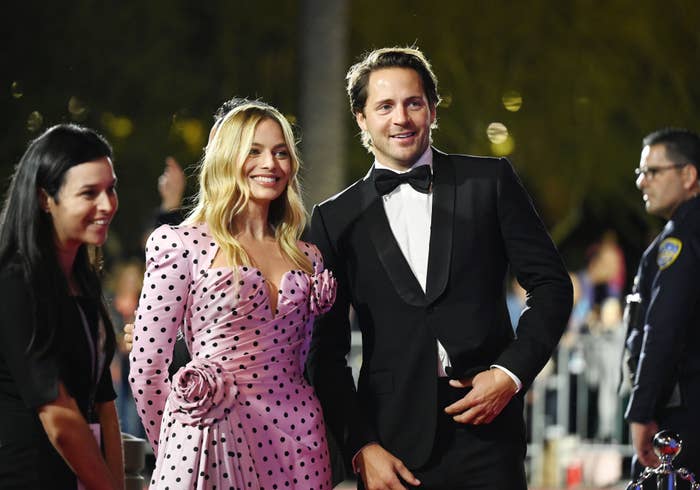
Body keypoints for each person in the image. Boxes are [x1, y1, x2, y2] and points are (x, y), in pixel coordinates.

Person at [307, 46, 573, 489]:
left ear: (432, 109)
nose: (401, 118)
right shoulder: (334, 219)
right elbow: (324, 352)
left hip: (489, 432)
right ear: (361, 118)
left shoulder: (489, 183)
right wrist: (360, 447)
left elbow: (551, 286)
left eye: (413, 103)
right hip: (390, 446)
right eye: (385, 106)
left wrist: (510, 375)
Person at [128, 99, 337, 489]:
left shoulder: (308, 256)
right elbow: (146, 370)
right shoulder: (180, 244)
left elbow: (308, 358)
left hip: (300, 442)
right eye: (253, 151)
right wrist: (177, 443)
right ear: (226, 157)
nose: (270, 164)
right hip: (212, 442)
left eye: (280, 152)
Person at [0, 124, 123, 489]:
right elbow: (59, 418)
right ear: (45, 199)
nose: (106, 205)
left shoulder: (82, 279)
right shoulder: (14, 282)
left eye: (111, 189)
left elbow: (104, 404)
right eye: (89, 193)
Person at [624, 128, 700, 479]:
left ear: (688, 175)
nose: (642, 182)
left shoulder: (680, 243)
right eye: (641, 172)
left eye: (653, 171)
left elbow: (663, 331)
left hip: (682, 416)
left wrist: (641, 412)